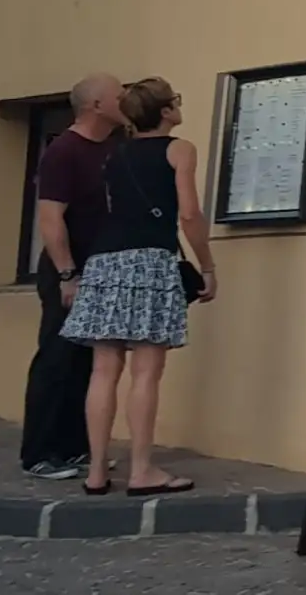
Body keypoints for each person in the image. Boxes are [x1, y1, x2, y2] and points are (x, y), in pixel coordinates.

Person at [62, 77, 213, 496]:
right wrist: (207, 265)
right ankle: (142, 470)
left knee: (103, 370)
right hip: (151, 260)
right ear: (165, 112)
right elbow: (188, 214)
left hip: (105, 262)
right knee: (146, 372)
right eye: (175, 102)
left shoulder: (114, 154)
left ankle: (96, 472)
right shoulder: (179, 148)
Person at [19, 74, 121, 482]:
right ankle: (40, 453)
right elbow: (50, 217)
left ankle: (76, 448)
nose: (126, 101)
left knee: (86, 362)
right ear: (96, 104)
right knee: (57, 358)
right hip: (70, 270)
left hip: (101, 269)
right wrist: (67, 274)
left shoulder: (115, 148)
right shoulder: (64, 151)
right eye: (120, 95)